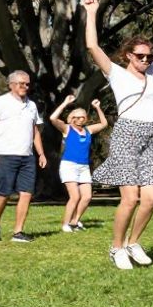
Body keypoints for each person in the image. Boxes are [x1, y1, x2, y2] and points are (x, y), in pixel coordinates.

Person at [82, 0, 153, 269]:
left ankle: (133, 243)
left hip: (152, 135)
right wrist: (92, 11)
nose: (145, 60)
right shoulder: (116, 74)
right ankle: (116, 248)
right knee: (131, 197)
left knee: (150, 198)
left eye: (149, 56)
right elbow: (92, 45)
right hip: (127, 134)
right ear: (128, 56)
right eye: (140, 56)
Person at [0, 71, 46, 243]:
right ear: (11, 84)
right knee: (4, 194)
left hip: (27, 157)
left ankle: (18, 232)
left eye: (27, 84)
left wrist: (41, 153)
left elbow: (35, 132)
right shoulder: (0, 102)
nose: (25, 86)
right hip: (4, 155)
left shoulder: (31, 105)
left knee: (26, 193)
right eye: (21, 83)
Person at [48, 94, 108, 232]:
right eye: (77, 117)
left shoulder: (88, 130)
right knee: (75, 196)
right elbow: (52, 118)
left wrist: (98, 108)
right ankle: (65, 224)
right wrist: (64, 103)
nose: (80, 119)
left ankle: (75, 221)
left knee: (87, 197)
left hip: (84, 166)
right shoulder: (67, 128)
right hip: (69, 165)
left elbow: (104, 124)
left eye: (83, 117)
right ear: (72, 118)